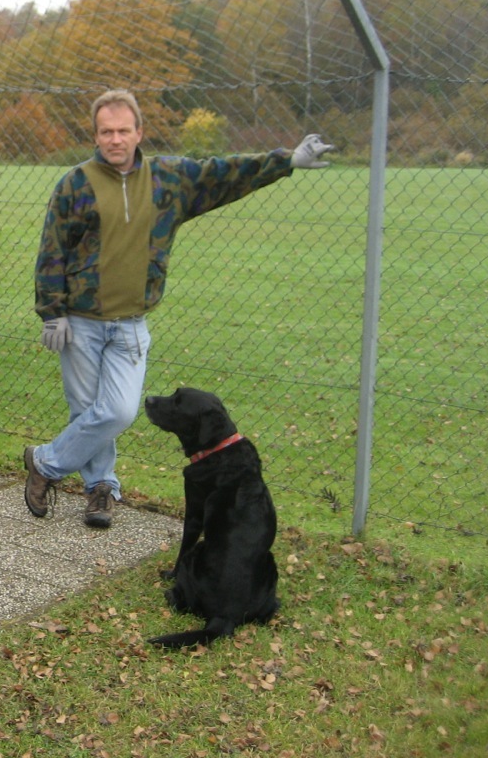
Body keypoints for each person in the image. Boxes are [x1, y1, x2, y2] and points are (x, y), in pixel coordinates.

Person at [25, 89, 334, 528]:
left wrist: (286, 161)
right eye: (106, 132)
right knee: (88, 412)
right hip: (81, 322)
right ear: (95, 135)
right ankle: (101, 488)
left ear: (139, 132)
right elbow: (52, 249)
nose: (115, 139)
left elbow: (224, 173)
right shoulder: (75, 184)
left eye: (123, 130)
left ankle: (44, 462)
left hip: (130, 324)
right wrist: (52, 311)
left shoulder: (169, 179)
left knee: (117, 412)